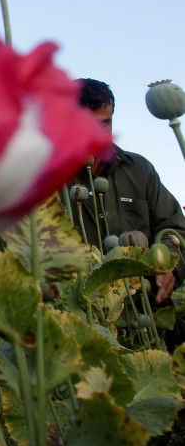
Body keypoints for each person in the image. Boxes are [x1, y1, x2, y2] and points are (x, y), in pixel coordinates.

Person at [73, 78, 185, 304]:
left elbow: (175, 229)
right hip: (78, 314)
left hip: (147, 311)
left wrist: (169, 265)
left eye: (104, 123)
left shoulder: (139, 170)